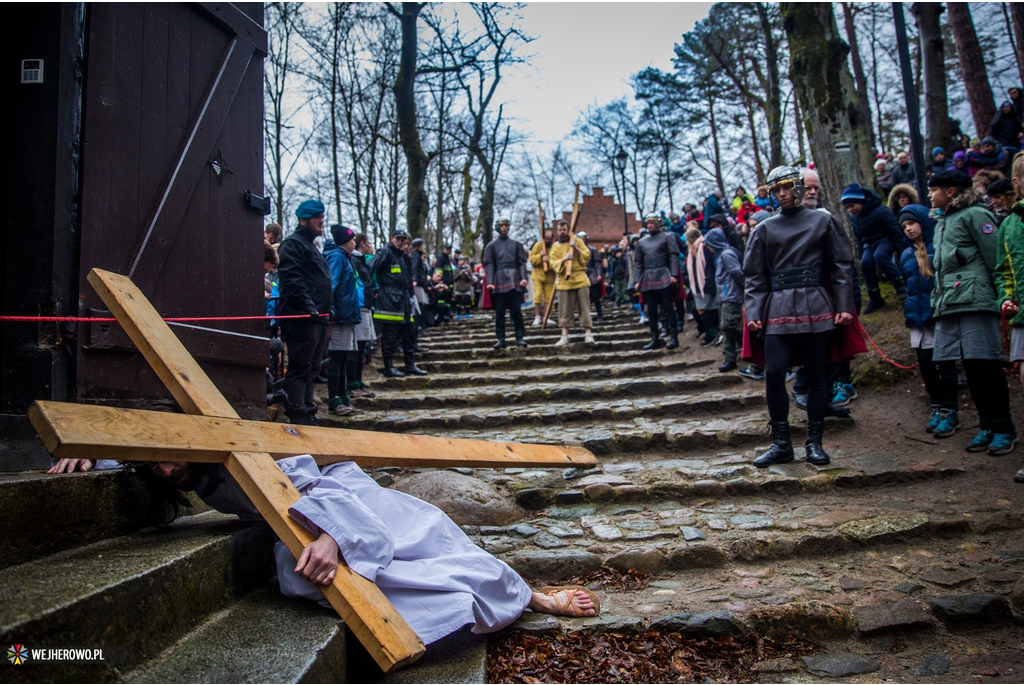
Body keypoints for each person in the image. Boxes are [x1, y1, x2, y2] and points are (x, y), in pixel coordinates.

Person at [47, 456, 600, 645]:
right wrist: (93, 457)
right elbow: (142, 453)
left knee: (432, 545)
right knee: (357, 583)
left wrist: (335, 535)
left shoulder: (240, 452)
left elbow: (312, 486)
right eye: (157, 470)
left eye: (170, 463)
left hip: (340, 500)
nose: (168, 472)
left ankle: (532, 597)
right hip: (302, 519)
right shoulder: (164, 466)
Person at [743, 165, 857, 468]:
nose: (783, 194)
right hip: (777, 307)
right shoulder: (762, 229)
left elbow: (841, 265)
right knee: (774, 373)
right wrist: (754, 311)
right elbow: (754, 275)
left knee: (817, 374)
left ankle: (814, 443)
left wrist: (844, 305)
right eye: (776, 190)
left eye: (787, 187)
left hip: (816, 304)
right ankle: (781, 444)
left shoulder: (824, 220)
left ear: (798, 186)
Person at [928, 169, 1017, 455]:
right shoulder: (943, 220)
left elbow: (996, 259)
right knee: (971, 368)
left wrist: (1003, 297)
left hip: (977, 301)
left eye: (934, 190)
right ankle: (986, 425)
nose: (930, 195)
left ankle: (1004, 428)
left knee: (987, 365)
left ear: (951, 191)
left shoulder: (976, 215)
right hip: (951, 302)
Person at [898, 205, 959, 437]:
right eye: (904, 226)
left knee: (945, 363)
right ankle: (937, 406)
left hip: (938, 313)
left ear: (923, 222)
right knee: (925, 363)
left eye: (911, 224)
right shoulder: (905, 255)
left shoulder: (939, 246)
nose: (908, 229)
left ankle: (950, 410)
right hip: (917, 317)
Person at [277, 200, 332, 426]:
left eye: (322, 216)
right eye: (317, 216)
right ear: (304, 219)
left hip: (318, 317)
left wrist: (326, 309)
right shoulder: (292, 244)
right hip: (301, 317)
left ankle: (308, 410)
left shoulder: (312, 246)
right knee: (301, 366)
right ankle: (297, 412)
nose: (321, 220)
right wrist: (309, 306)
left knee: (313, 367)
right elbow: (293, 279)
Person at [993, 152, 1024, 483]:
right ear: (1016, 184)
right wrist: (1007, 297)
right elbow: (1005, 271)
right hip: (1022, 320)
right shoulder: (1010, 225)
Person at [841, 183, 906, 314]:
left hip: (884, 239)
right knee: (866, 262)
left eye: (852, 206)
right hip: (868, 244)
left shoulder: (881, 211)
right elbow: (858, 237)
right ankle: (875, 296)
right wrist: (860, 253)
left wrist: (902, 250)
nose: (850, 210)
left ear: (860, 201)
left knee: (880, 256)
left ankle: (900, 285)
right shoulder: (854, 217)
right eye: (847, 207)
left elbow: (895, 230)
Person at [370, 231, 426, 378]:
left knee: (409, 332)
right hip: (390, 300)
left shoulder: (403, 256)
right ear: (392, 239)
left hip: (405, 299)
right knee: (390, 334)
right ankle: (388, 367)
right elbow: (370, 267)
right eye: (399, 239)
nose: (402, 243)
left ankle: (410, 364)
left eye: (404, 240)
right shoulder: (385, 252)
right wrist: (372, 288)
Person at [323, 225, 364, 418]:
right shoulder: (336, 257)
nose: (354, 242)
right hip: (338, 315)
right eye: (352, 239)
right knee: (337, 358)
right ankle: (334, 399)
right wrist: (330, 308)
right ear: (345, 241)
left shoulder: (344, 257)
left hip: (346, 314)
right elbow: (331, 283)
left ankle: (343, 397)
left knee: (343, 357)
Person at [634, 213, 681, 350]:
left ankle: (674, 338)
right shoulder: (642, 243)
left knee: (668, 307)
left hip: (664, 275)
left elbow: (673, 257)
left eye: (652, 222)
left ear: (659, 223)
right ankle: (654, 339)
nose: (650, 225)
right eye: (648, 223)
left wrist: (674, 274)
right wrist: (637, 280)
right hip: (648, 278)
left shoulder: (668, 237)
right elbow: (638, 263)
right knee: (651, 310)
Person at [482, 218, 529, 349]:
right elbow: (489, 265)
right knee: (500, 312)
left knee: (516, 312)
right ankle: (501, 339)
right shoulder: (491, 246)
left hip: (514, 280)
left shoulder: (516, 245)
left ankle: (520, 338)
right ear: (497, 227)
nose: (504, 228)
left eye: (506, 225)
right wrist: (490, 282)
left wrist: (523, 278)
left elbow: (521, 263)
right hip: (498, 280)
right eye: (501, 225)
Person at [548, 220, 594, 346]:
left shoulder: (578, 241)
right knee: (564, 310)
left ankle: (588, 333)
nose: (562, 232)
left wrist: (576, 248)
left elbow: (586, 257)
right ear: (557, 231)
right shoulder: (556, 246)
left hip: (580, 278)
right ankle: (564, 335)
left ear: (568, 230)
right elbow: (553, 262)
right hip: (564, 280)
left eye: (564, 230)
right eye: (560, 230)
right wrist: (564, 259)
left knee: (584, 307)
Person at [704, 228, 743, 371]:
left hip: (731, 296)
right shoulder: (721, 255)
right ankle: (729, 358)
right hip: (724, 295)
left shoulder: (727, 254)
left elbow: (737, 273)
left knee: (729, 325)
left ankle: (755, 345)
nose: (707, 247)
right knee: (725, 329)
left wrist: (745, 289)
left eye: (709, 243)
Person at [348, 234, 376, 399]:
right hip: (359, 307)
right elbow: (358, 283)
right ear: (363, 243)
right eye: (369, 243)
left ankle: (357, 382)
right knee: (356, 347)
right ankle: (352, 383)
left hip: (364, 306)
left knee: (361, 346)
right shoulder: (355, 261)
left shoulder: (362, 261)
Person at [684, 226, 721, 347]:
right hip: (697, 284)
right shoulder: (692, 252)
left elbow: (710, 266)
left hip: (705, 283)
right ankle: (711, 334)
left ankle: (713, 334)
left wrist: (709, 282)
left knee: (704, 309)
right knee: (704, 309)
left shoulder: (704, 247)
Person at [529, 226, 557, 326]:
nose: (548, 241)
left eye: (550, 239)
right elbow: (532, 259)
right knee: (538, 295)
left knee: (548, 297)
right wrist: (540, 257)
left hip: (550, 276)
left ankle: (547, 316)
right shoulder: (538, 245)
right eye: (546, 239)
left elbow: (556, 261)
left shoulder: (554, 247)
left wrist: (548, 261)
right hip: (538, 275)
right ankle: (537, 316)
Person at [578, 231, 605, 322]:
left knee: (595, 296)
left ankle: (600, 315)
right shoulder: (575, 250)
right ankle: (583, 317)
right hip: (580, 274)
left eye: (583, 238)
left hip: (591, 274)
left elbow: (597, 263)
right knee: (582, 298)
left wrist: (598, 274)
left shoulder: (592, 250)